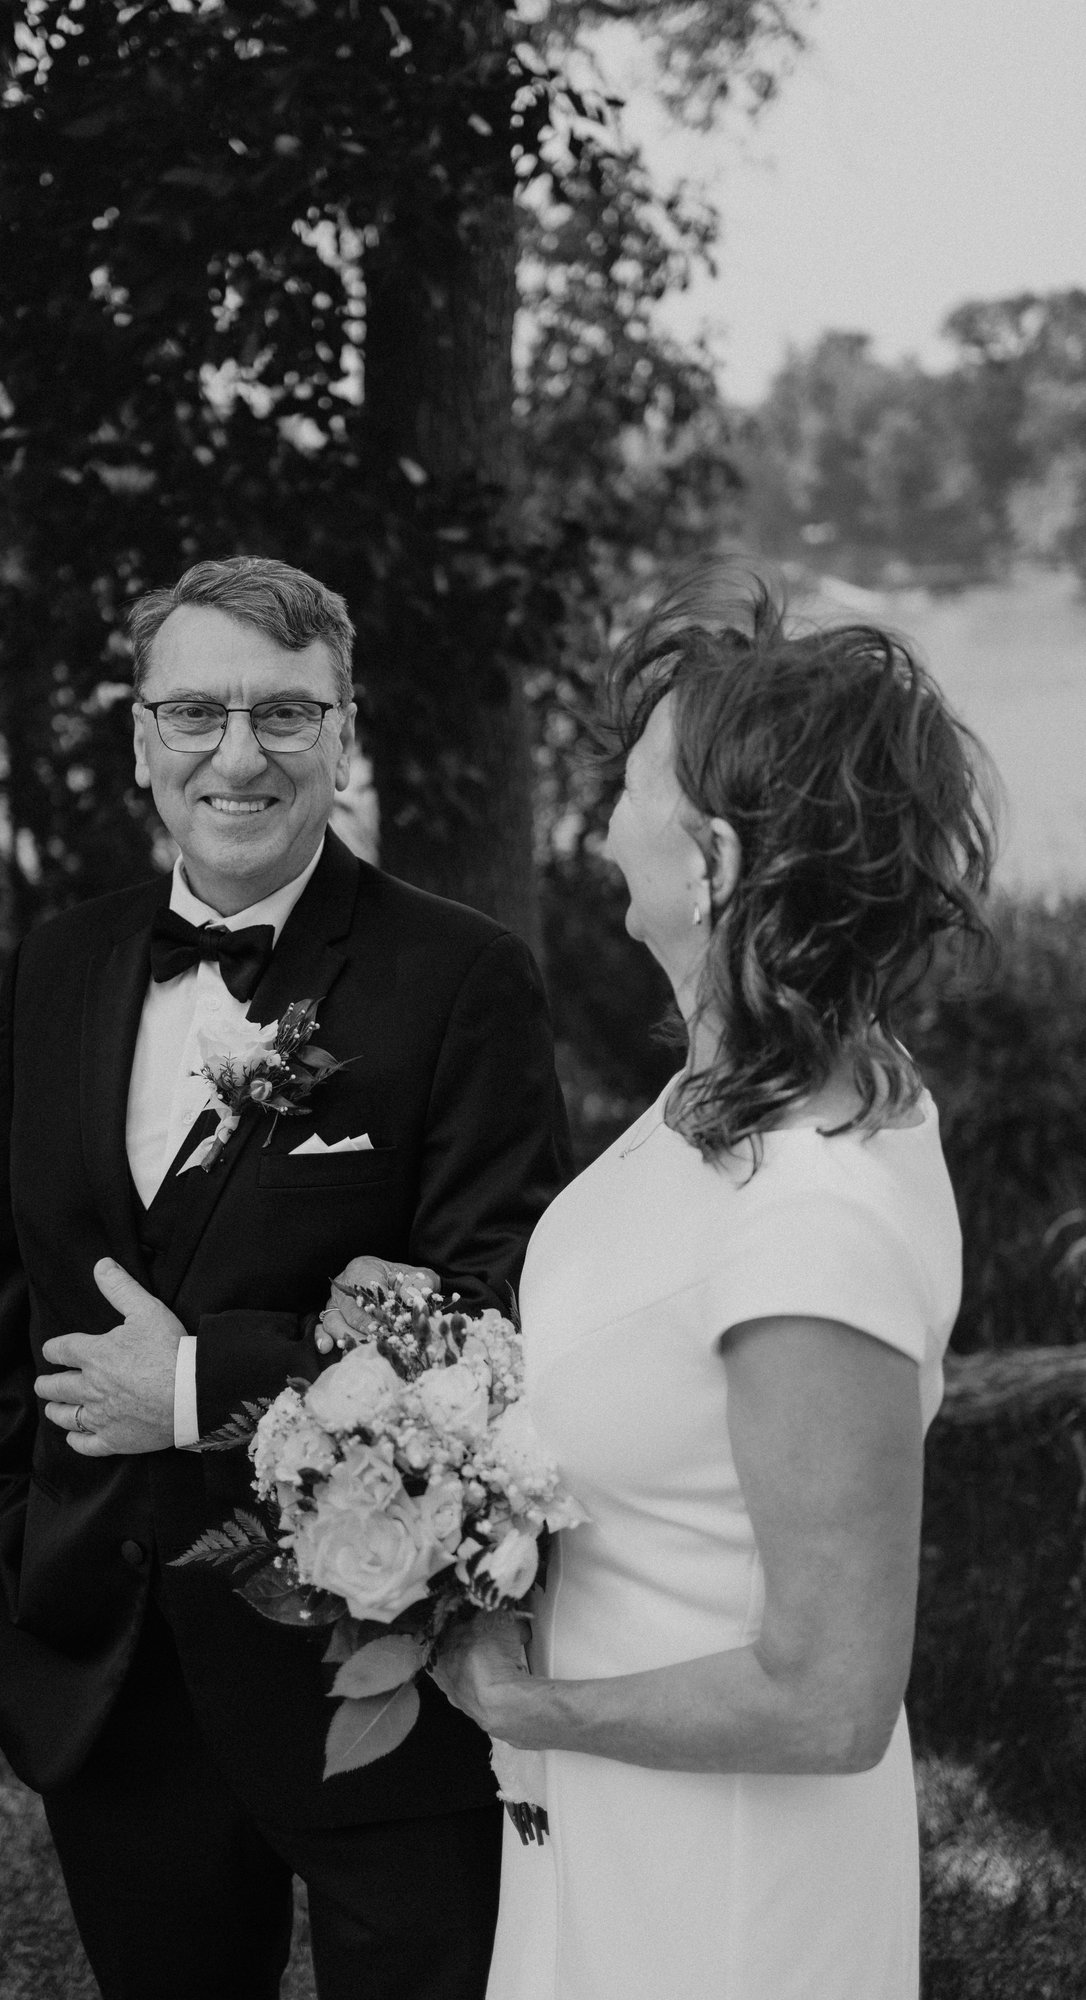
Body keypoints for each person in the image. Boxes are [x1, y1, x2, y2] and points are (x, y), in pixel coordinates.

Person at [0, 556, 570, 2000]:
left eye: (285, 716)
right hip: (105, 1666)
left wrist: (190, 1385)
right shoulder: (57, 966)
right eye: (196, 714)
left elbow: (488, 1311)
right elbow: (7, 1309)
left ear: (344, 732)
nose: (238, 756)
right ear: (139, 737)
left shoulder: (461, 977)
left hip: (377, 1672)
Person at [432, 576, 997, 2000]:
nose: (597, 814)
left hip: (726, 1888)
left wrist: (522, 1701)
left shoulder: (813, 1221)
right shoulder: (742, 1083)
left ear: (714, 863)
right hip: (606, 1824)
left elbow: (826, 1697)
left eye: (629, 782)